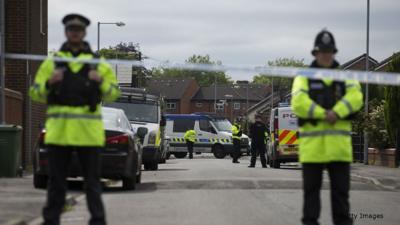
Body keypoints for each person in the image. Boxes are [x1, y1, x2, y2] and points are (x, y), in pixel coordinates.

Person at [29, 14, 121, 225]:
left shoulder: (98, 63)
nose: (75, 33)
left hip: (88, 134)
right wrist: (49, 83)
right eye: (71, 29)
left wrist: (100, 82)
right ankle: (51, 220)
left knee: (92, 183)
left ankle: (98, 221)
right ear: (66, 32)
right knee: (56, 183)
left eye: (78, 30)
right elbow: (34, 93)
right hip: (59, 133)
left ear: (84, 33)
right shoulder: (52, 62)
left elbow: (114, 93)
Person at [291, 30, 363, 225]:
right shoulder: (304, 77)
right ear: (315, 53)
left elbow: (356, 97)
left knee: (341, 204)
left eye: (329, 51)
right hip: (312, 151)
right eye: (322, 51)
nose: (326, 54)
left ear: (334, 52)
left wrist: (337, 112)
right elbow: (298, 101)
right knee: (310, 205)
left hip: (339, 151)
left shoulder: (345, 76)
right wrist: (323, 113)